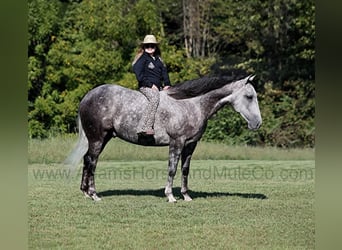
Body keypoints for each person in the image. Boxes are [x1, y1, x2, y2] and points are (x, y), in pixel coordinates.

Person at [132, 34, 171, 136]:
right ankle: (143, 127)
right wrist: (150, 85)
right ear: (144, 47)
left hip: (159, 88)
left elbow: (165, 73)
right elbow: (137, 72)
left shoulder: (159, 60)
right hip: (146, 87)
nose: (150, 48)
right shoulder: (142, 58)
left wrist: (167, 84)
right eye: (147, 46)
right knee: (154, 99)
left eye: (152, 46)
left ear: (155, 47)